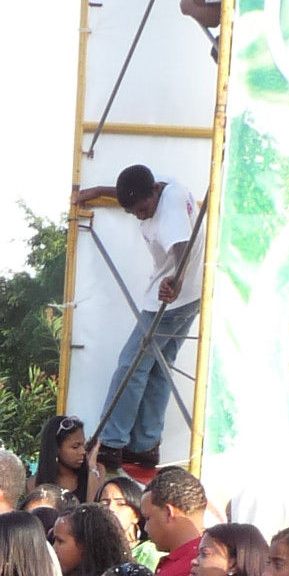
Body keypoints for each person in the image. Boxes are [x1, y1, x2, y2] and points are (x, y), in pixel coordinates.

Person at [67, 168, 205, 463]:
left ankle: (113, 441)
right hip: (194, 295)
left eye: (142, 209)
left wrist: (176, 280)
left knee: (132, 365)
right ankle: (146, 445)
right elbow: (129, 194)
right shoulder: (167, 185)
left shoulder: (168, 212)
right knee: (160, 368)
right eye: (133, 213)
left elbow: (180, 245)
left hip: (170, 301)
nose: (141, 216)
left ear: (155, 191)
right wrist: (97, 191)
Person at [141, 467, 209, 576]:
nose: (146, 528)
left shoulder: (185, 573)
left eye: (148, 518)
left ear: (168, 512)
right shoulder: (211, 561)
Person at [34, 415, 98, 502]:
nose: (83, 451)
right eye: (75, 446)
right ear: (56, 448)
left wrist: (92, 468)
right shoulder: (34, 484)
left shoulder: (95, 472)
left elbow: (95, 510)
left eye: (83, 444)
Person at [96, 471, 155, 565]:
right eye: (104, 503)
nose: (111, 509)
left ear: (136, 515)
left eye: (120, 503)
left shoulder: (148, 553)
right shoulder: (91, 553)